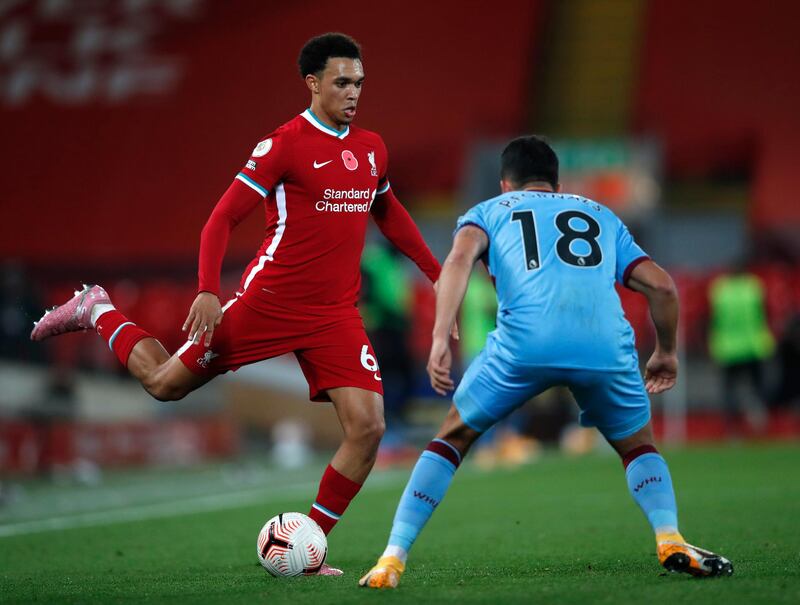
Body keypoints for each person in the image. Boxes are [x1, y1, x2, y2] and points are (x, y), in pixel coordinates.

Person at [30, 32, 444, 576]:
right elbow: (221, 218)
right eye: (342, 82)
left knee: (368, 428)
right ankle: (98, 309)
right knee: (164, 385)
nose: (353, 93)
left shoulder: (372, 148)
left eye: (359, 83)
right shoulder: (283, 145)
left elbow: (390, 214)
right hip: (267, 303)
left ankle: (309, 547)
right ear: (313, 83)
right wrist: (206, 288)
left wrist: (440, 274)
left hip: (334, 314)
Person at [359, 135, 733, 589]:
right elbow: (664, 288)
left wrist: (440, 335)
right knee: (638, 447)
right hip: (605, 347)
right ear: (556, 183)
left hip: (524, 345)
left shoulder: (489, 212)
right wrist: (667, 352)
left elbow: (457, 259)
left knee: (452, 437)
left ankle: (391, 559)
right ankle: (670, 536)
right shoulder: (603, 215)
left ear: (505, 183)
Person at [708, 265, 774, 434]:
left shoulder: (721, 289)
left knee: (730, 390)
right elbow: (766, 313)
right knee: (757, 386)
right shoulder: (753, 287)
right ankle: (758, 416)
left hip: (728, 347)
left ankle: (732, 429)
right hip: (753, 345)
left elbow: (711, 318)